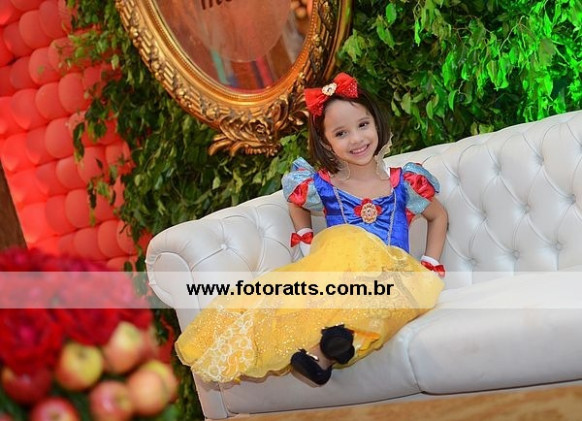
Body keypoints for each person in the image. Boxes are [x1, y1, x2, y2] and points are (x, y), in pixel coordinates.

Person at [175, 73, 446, 386]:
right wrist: (306, 241)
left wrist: (430, 263)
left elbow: (438, 216)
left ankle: (327, 349)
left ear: (377, 123)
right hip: (342, 274)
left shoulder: (402, 182)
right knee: (298, 294)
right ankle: (327, 347)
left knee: (391, 301)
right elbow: (297, 202)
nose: (356, 139)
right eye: (341, 133)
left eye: (363, 125)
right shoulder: (325, 185)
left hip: (391, 274)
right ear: (326, 142)